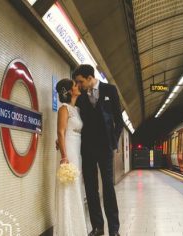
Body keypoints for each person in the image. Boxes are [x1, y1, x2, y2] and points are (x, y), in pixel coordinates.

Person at [73, 64, 124, 236]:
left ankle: (114, 229)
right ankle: (97, 227)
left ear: (89, 78)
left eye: (80, 81)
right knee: (90, 187)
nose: (78, 85)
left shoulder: (110, 90)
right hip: (87, 147)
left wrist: (113, 143)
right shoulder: (80, 96)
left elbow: (119, 120)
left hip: (105, 147)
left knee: (108, 187)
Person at [54, 78, 88, 235]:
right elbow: (60, 132)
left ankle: (76, 229)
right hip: (69, 151)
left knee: (75, 187)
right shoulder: (64, 109)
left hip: (76, 147)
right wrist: (64, 156)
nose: (78, 86)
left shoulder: (77, 109)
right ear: (68, 91)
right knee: (69, 186)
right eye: (75, 85)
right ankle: (67, 231)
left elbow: (67, 130)